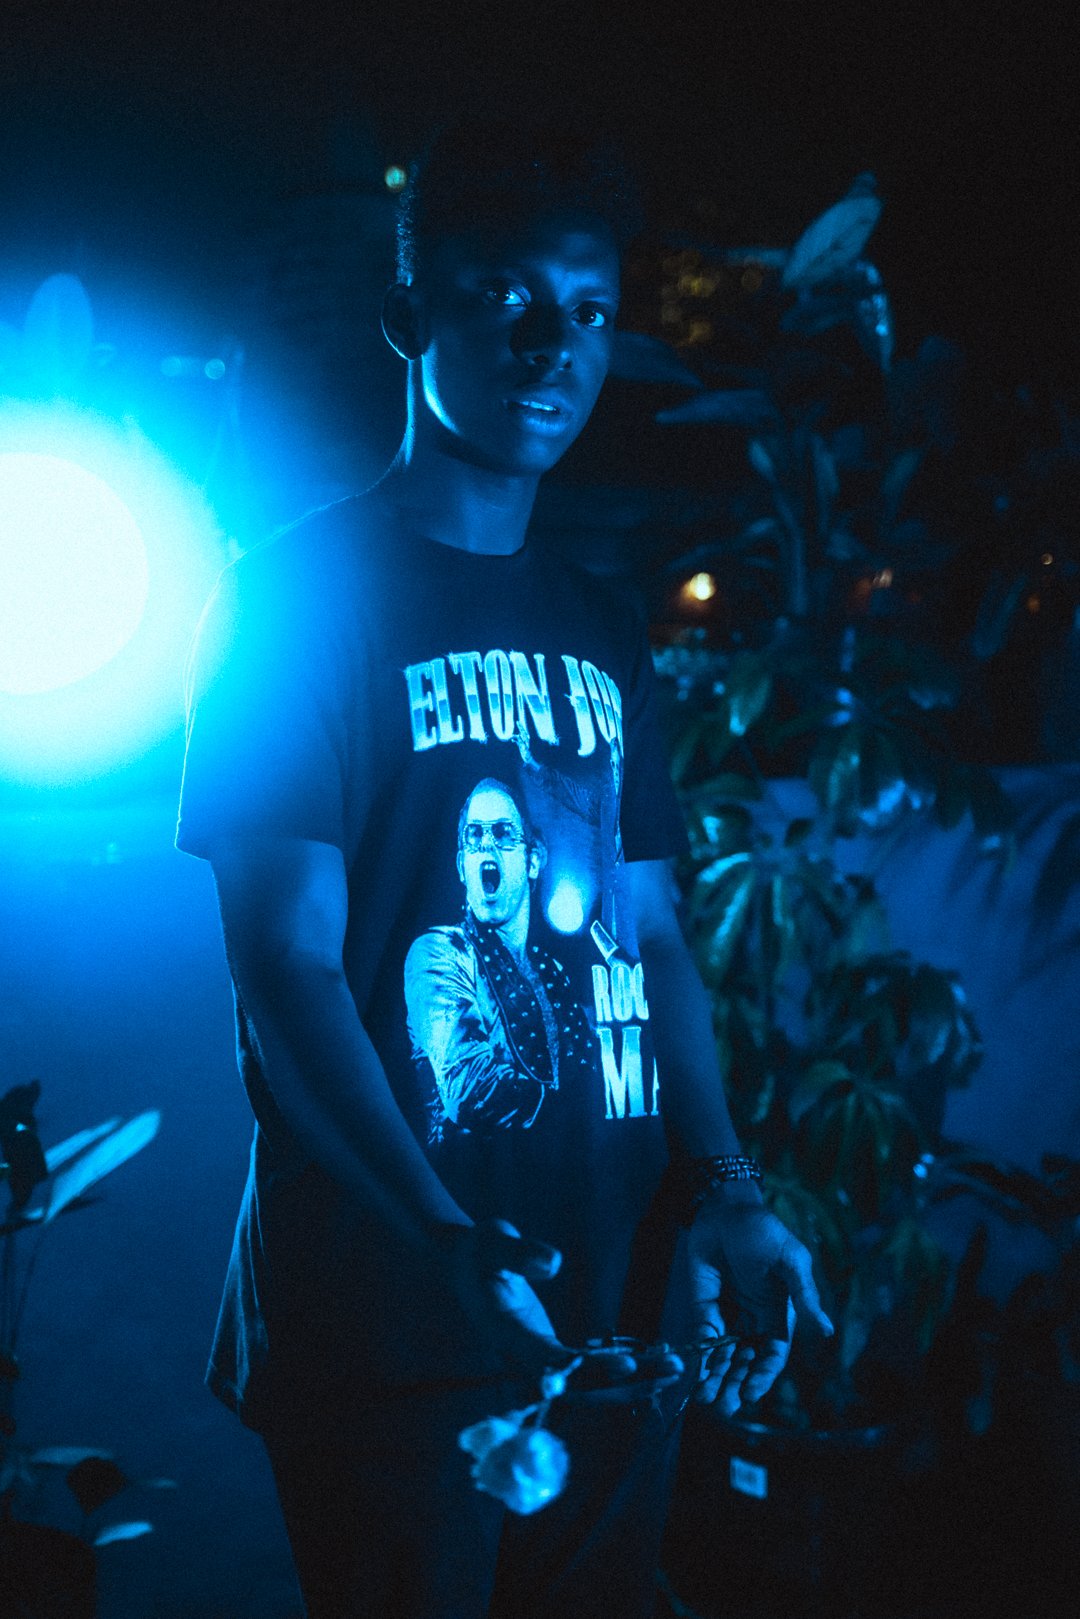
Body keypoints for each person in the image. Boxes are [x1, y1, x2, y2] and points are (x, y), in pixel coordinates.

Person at [177, 116, 832, 1619]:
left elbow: (653, 940)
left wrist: (724, 1189)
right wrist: (445, 1236)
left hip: (611, 1288)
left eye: (591, 310)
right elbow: (284, 963)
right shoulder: (290, 598)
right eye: (504, 298)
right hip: (395, 1307)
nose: (555, 346)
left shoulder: (606, 625)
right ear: (411, 316)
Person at [405, 777, 595, 1139]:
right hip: (463, 1186)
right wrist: (585, 1111)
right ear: (462, 867)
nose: (487, 845)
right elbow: (469, 1091)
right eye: (474, 837)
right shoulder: (440, 953)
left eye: (504, 833)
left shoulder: (550, 969)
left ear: (533, 861)